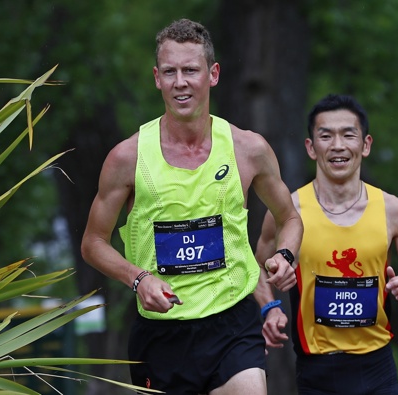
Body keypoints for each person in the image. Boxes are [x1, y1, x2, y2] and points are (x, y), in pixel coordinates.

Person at [80, 18, 303, 395]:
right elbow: (92, 243)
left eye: (190, 70)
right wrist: (138, 279)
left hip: (232, 322)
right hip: (163, 333)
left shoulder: (248, 149)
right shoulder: (127, 157)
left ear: (213, 74)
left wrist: (285, 254)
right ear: (156, 78)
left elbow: (290, 218)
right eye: (170, 72)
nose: (180, 82)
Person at [253, 94, 398, 395]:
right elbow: (256, 266)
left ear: (365, 145)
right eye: (326, 136)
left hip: (377, 367)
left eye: (348, 134)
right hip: (317, 371)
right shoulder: (288, 212)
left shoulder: (394, 211)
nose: (338, 145)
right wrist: (270, 308)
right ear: (311, 148)